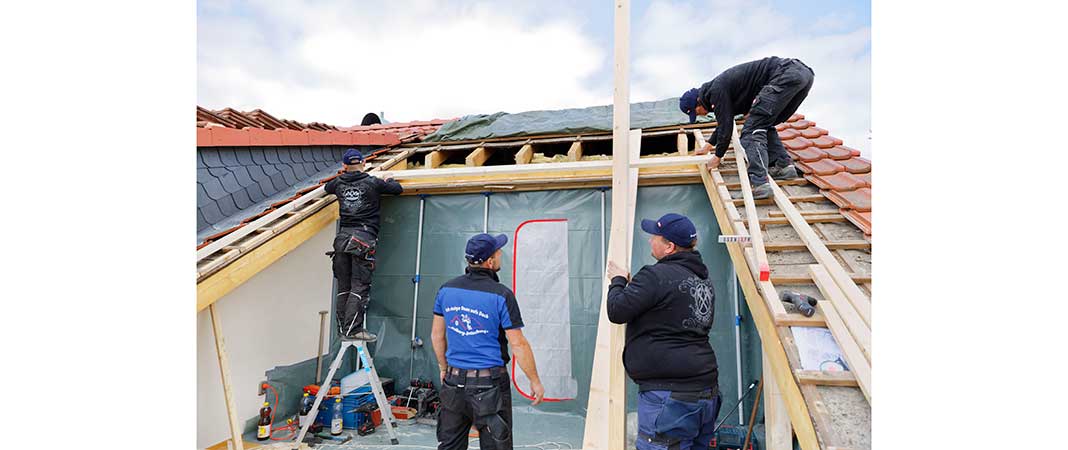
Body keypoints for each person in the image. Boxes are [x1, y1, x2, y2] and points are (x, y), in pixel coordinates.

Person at [606, 213, 721, 450]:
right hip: (705, 391)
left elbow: (616, 310)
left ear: (669, 247)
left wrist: (617, 281)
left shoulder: (655, 276)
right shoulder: (703, 280)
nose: (650, 241)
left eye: (654, 237)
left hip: (669, 398)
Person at [431, 233, 545, 450]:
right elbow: (518, 344)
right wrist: (534, 380)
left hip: (453, 384)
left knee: (450, 446)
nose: (501, 255)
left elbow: (437, 335)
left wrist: (443, 368)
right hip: (489, 387)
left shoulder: (446, 290)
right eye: (498, 252)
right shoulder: (501, 295)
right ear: (490, 261)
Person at [680, 56, 815, 199]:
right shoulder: (717, 90)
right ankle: (784, 166)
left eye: (696, 112)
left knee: (750, 130)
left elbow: (726, 127)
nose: (699, 115)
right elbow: (725, 121)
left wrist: (718, 156)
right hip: (804, 75)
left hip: (785, 73)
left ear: (698, 102)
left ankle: (760, 183)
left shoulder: (716, 91)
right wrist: (708, 146)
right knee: (762, 123)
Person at [323, 148, 402, 341]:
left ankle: (343, 329)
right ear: (364, 164)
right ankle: (354, 330)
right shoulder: (372, 182)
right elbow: (397, 190)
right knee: (359, 286)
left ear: (344, 166)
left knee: (344, 285)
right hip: (362, 239)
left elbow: (327, 188)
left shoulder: (338, 183)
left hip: (342, 241)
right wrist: (389, 179)